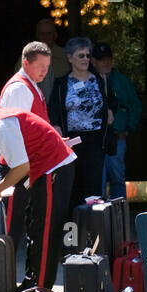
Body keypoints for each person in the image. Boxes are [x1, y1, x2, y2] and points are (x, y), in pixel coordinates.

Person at [0, 104, 76, 291]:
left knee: (45, 231)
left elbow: (22, 167)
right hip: (46, 167)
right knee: (36, 228)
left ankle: (40, 288)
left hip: (52, 167)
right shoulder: (1, 119)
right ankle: (33, 281)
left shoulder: (1, 129)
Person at [0, 41, 53, 274]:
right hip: (20, 167)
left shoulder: (31, 85)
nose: (44, 71)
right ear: (25, 62)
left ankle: (10, 280)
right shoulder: (19, 88)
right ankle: (1, 281)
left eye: (48, 66)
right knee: (12, 228)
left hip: (29, 166)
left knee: (24, 225)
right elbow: (11, 131)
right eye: (40, 66)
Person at [49, 36, 115, 205]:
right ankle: (73, 227)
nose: (85, 59)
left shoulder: (99, 79)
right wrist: (56, 126)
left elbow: (112, 99)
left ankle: (93, 228)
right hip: (72, 140)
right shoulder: (61, 83)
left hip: (95, 140)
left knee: (93, 188)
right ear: (70, 58)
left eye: (87, 55)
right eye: (81, 55)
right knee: (73, 186)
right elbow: (53, 109)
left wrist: (110, 111)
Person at [92, 42, 140, 201]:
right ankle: (99, 218)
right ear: (93, 61)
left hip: (117, 137)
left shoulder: (122, 81)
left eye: (108, 59)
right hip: (96, 140)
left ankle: (119, 219)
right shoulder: (88, 81)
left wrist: (128, 128)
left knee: (117, 178)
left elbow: (135, 105)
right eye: (101, 60)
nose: (105, 63)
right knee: (98, 180)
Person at [34, 17, 69, 101]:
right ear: (37, 36)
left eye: (48, 33)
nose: (45, 37)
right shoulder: (28, 57)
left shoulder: (66, 56)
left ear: (55, 35)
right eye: (42, 34)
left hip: (62, 103)